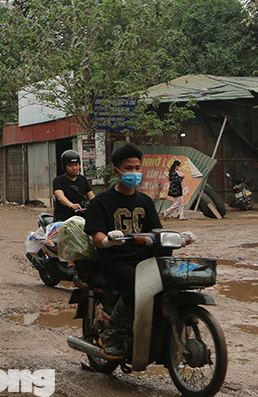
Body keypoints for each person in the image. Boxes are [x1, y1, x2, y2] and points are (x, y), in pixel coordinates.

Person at [84, 143, 162, 359]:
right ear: (117, 172)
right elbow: (97, 237)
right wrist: (109, 240)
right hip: (115, 263)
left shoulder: (146, 201)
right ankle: (111, 333)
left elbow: (156, 233)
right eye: (129, 168)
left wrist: (180, 238)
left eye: (138, 168)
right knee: (138, 284)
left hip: (144, 260)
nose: (135, 173)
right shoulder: (101, 202)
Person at [52, 149, 96, 222]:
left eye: (76, 165)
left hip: (81, 217)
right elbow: (60, 197)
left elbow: (91, 196)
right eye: (70, 165)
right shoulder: (58, 181)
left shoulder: (83, 179)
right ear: (65, 166)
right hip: (63, 219)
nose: (74, 168)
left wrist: (97, 204)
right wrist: (71, 205)